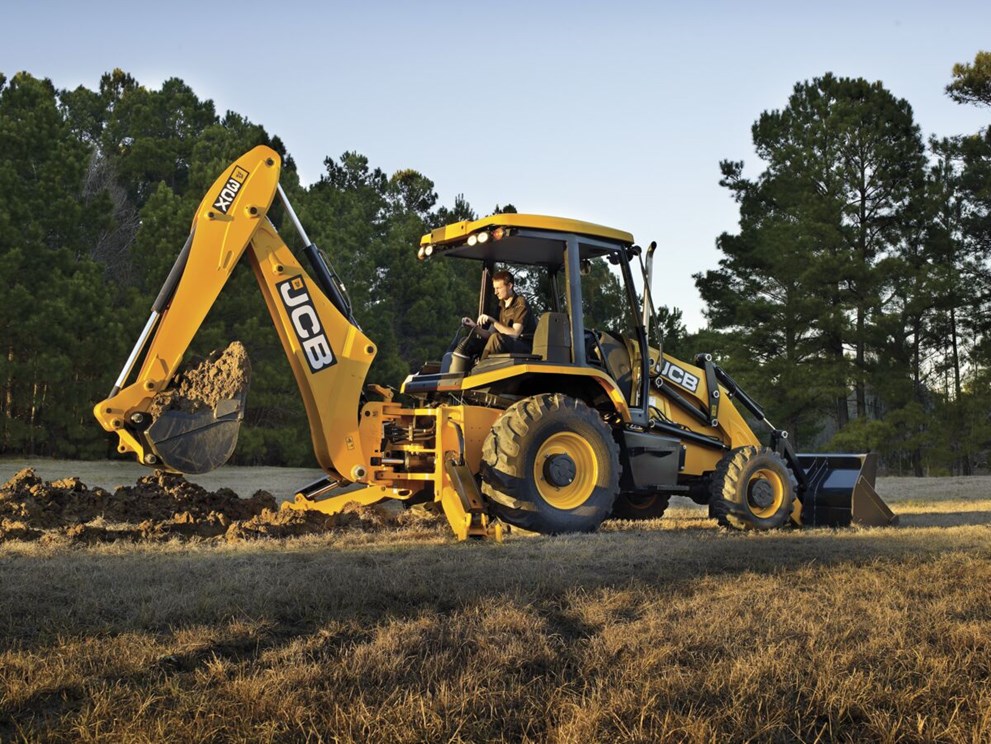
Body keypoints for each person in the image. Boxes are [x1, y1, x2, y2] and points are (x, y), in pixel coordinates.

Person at [454, 270, 536, 364]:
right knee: (466, 342)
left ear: (509, 286)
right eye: (494, 288)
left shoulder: (521, 304)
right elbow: (489, 334)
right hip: (504, 343)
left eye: (498, 288)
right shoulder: (500, 306)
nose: (495, 292)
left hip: (523, 346)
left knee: (495, 338)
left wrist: (492, 320)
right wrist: (474, 327)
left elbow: (514, 334)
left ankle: (479, 370)